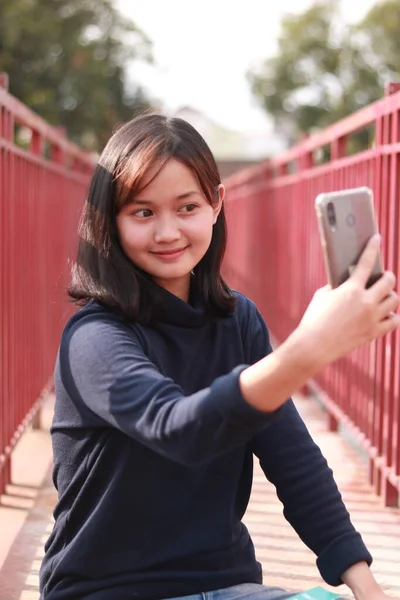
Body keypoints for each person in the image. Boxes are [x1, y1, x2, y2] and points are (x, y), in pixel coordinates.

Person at [39, 114, 399, 600]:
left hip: (228, 585)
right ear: (111, 220)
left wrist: (367, 587)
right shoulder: (94, 336)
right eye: (142, 213)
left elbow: (294, 462)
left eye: (187, 207)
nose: (168, 232)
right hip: (109, 589)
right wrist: (308, 348)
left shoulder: (237, 321)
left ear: (216, 204)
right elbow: (179, 429)